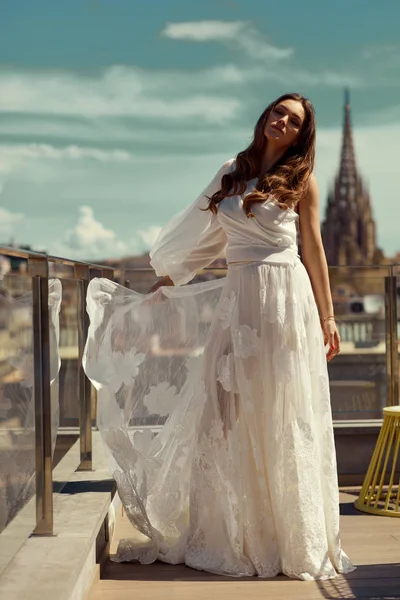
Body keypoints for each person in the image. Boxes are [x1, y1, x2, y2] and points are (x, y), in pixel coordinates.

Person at [83, 92, 355, 581]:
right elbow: (203, 237)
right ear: (266, 116)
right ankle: (231, 529)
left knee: (279, 408)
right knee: (223, 410)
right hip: (239, 299)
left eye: (293, 121)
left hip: (285, 301)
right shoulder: (232, 170)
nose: (282, 121)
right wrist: (164, 285)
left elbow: (313, 248)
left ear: (300, 135)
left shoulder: (301, 181)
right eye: (278, 112)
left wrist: (328, 317)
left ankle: (285, 534)